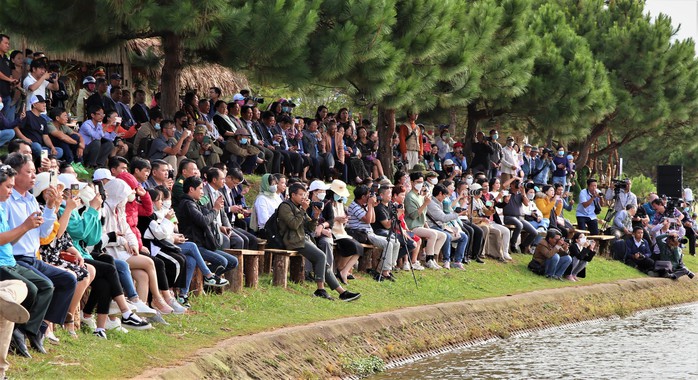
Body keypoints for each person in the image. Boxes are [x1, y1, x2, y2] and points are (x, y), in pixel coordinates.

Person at [4, 152, 77, 354]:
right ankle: (24, 330)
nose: (34, 177)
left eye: (35, 173)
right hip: (16, 257)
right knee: (45, 285)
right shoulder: (6, 201)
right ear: (15, 174)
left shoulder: (30, 200)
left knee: (68, 280)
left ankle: (38, 328)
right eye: (29, 172)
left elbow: (45, 234)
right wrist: (26, 226)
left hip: (32, 257)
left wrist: (51, 207)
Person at [277, 182, 360, 301]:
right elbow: (294, 225)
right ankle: (320, 289)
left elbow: (310, 228)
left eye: (304, 195)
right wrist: (303, 210)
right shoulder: (285, 206)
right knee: (321, 256)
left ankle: (342, 292)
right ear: (293, 195)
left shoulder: (299, 207)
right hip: (293, 240)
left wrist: (316, 216)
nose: (304, 198)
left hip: (302, 238)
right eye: (301, 195)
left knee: (324, 263)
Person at [176, 176, 238, 281]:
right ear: (191, 189)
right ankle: (207, 278)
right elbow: (204, 221)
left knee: (233, 261)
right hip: (195, 245)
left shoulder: (194, 203)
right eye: (200, 188)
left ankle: (206, 279)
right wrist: (215, 209)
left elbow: (207, 217)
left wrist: (216, 209)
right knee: (222, 262)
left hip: (203, 244)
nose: (202, 192)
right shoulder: (187, 204)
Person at [346, 185, 400, 280]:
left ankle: (388, 268)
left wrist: (372, 206)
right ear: (363, 197)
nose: (370, 197)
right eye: (368, 195)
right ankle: (383, 271)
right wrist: (370, 206)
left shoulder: (364, 205)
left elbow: (372, 220)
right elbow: (367, 220)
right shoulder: (354, 206)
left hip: (369, 232)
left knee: (396, 242)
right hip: (362, 233)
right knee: (388, 244)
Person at [321, 180, 364, 283]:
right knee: (352, 246)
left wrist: (344, 220)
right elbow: (328, 219)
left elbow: (341, 218)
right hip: (333, 232)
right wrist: (337, 219)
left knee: (359, 248)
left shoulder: (340, 203)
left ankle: (344, 270)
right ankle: (340, 268)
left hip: (342, 231)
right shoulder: (326, 203)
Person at [403, 172, 447, 269]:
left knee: (442, 235)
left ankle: (433, 258)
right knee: (433, 234)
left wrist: (427, 227)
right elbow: (414, 215)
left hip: (421, 225)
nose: (420, 184)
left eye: (422, 182)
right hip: (412, 226)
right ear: (412, 182)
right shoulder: (410, 197)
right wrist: (425, 204)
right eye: (418, 182)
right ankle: (428, 259)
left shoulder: (421, 196)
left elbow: (423, 216)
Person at [426, 184, 468, 269]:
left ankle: (457, 261)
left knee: (464, 236)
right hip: (432, 227)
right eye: (445, 195)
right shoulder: (432, 204)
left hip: (440, 227)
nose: (445, 197)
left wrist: (451, 227)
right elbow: (443, 218)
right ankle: (446, 260)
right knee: (447, 236)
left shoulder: (438, 202)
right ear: (440, 193)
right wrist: (457, 214)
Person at [502, 178, 537, 254]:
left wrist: (523, 192)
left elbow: (527, 204)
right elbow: (504, 185)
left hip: (519, 217)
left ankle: (523, 245)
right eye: (516, 183)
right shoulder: (507, 192)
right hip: (509, 217)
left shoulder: (520, 195)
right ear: (511, 185)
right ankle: (513, 244)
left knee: (534, 232)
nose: (517, 185)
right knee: (519, 225)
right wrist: (514, 178)